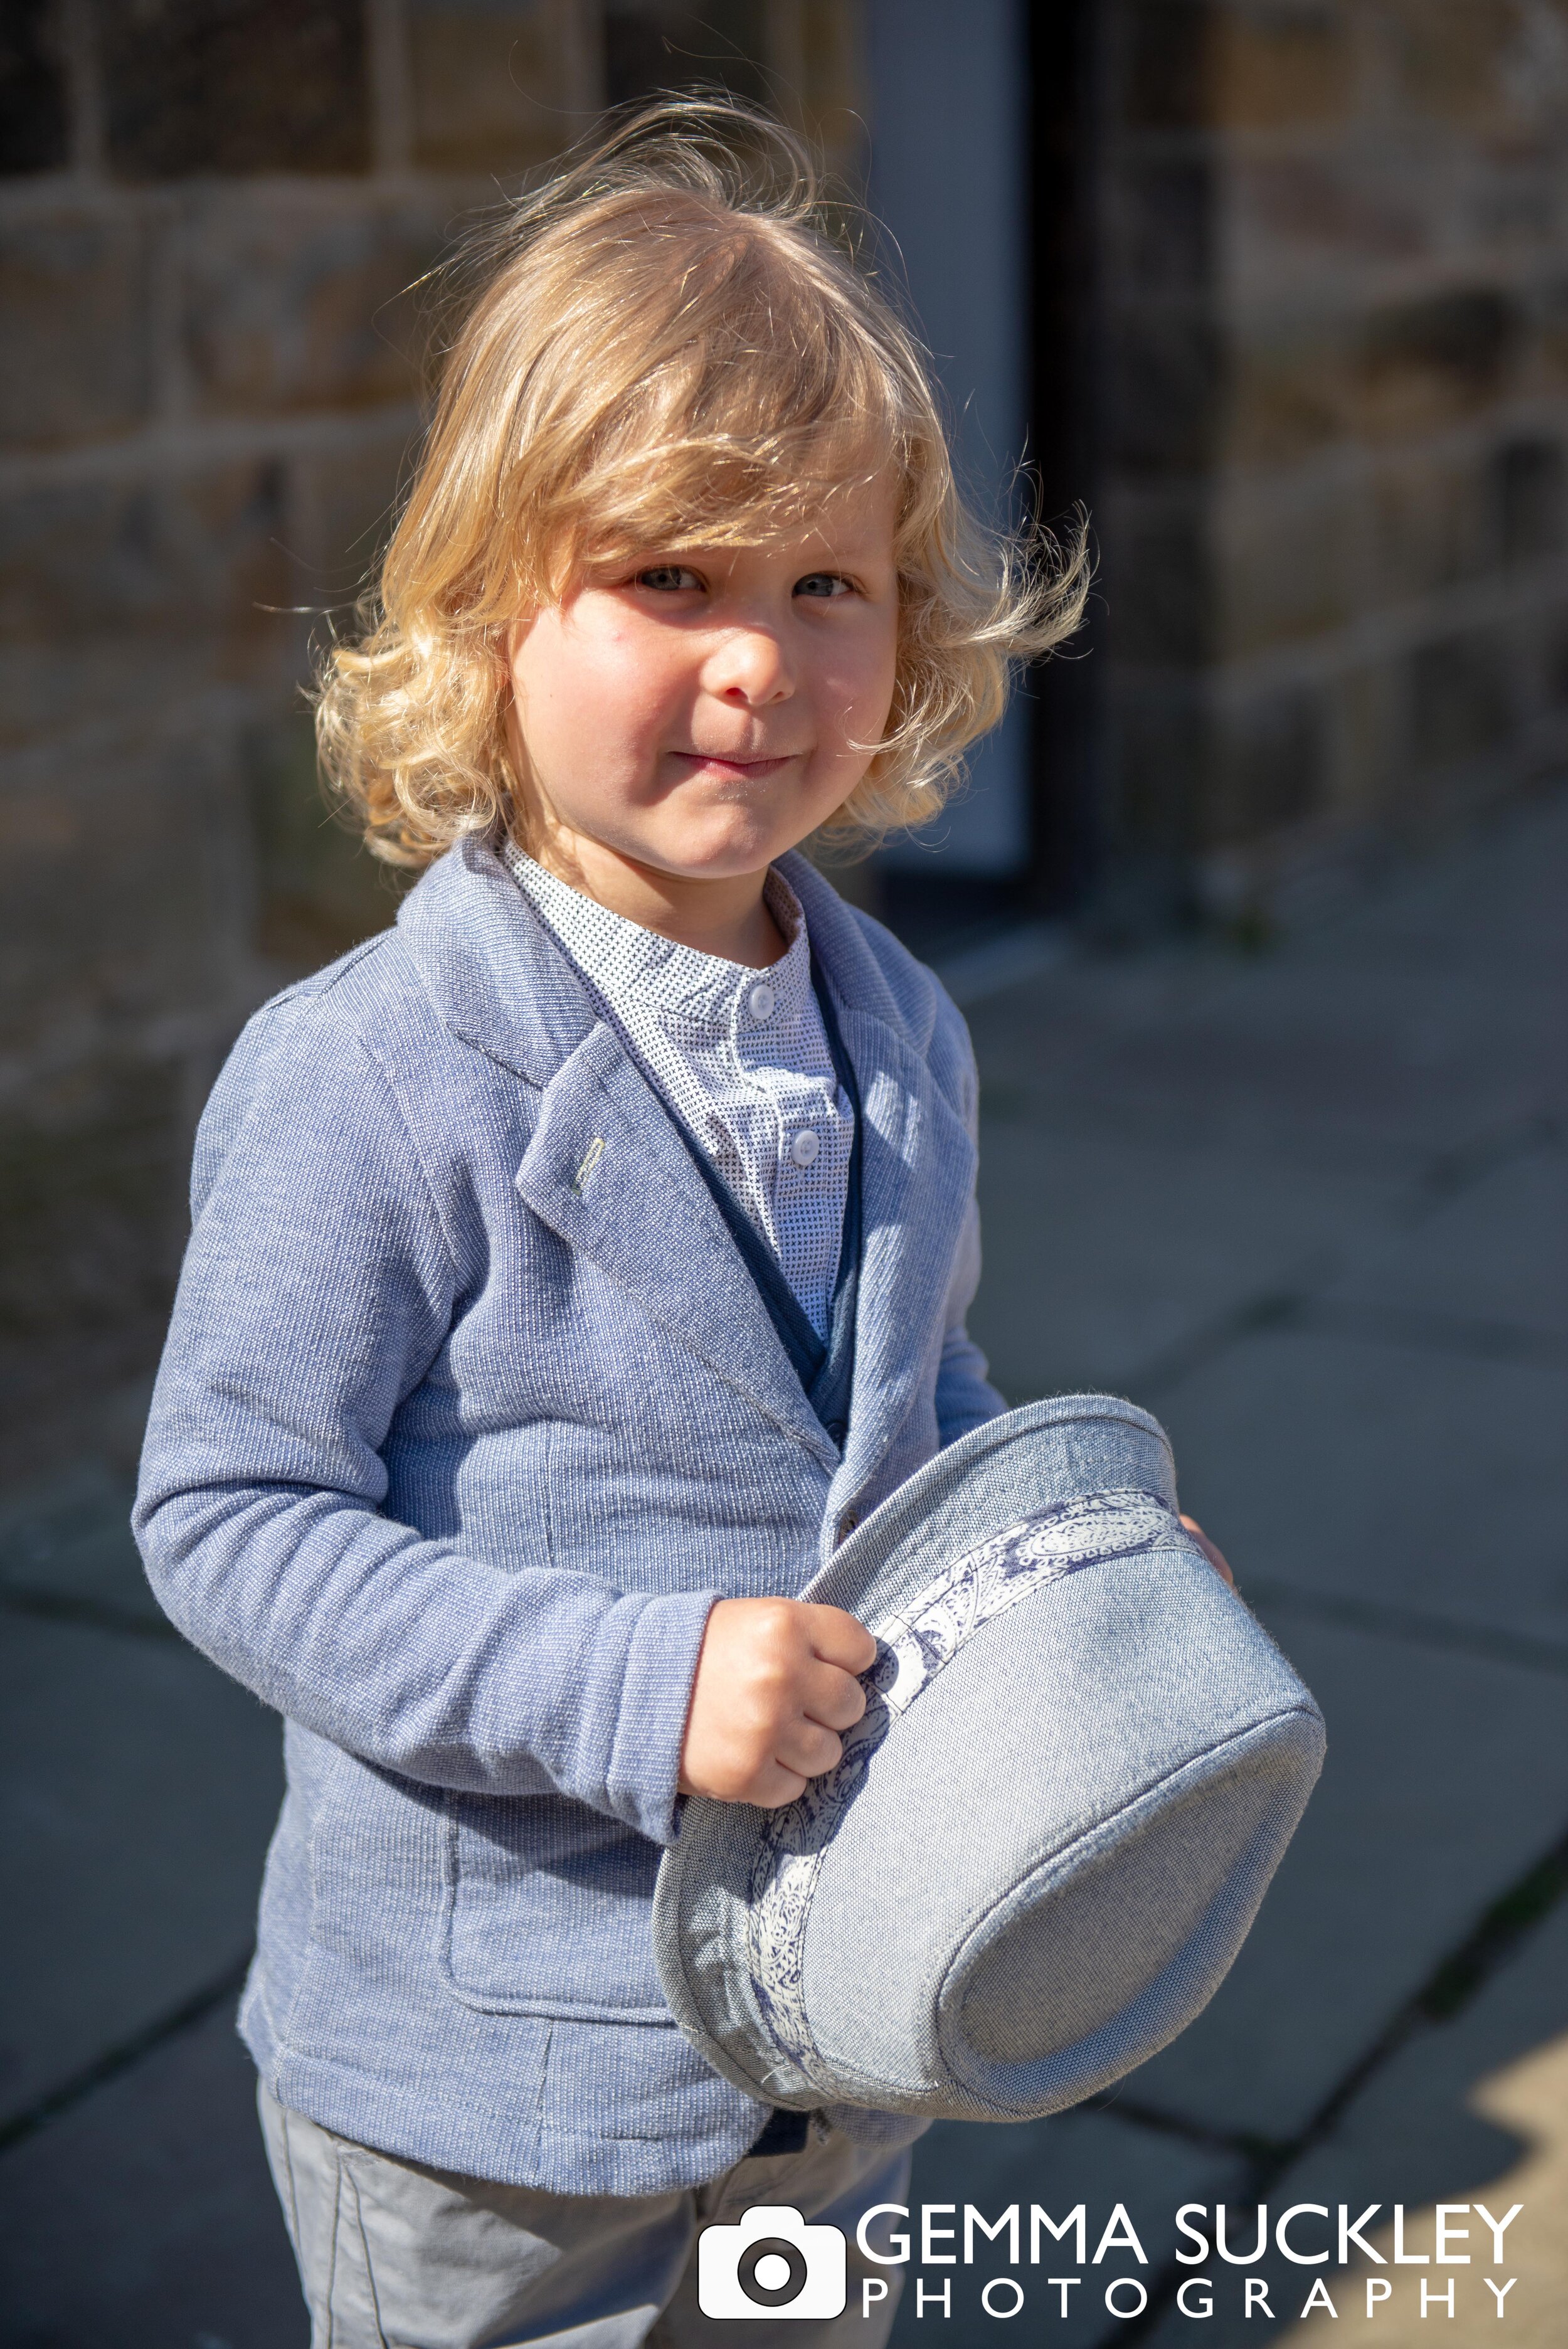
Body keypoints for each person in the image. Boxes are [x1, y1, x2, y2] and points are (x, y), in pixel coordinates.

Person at [135, 95, 1128, 2346]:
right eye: (669, 579)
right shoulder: (372, 1072)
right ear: (494, 611)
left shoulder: (896, 1027)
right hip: (495, 2088)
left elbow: (906, 1396)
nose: (759, 663)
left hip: (830, 2025)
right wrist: (639, 1681)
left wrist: (1056, 1566)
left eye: (825, 586)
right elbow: (227, 1515)